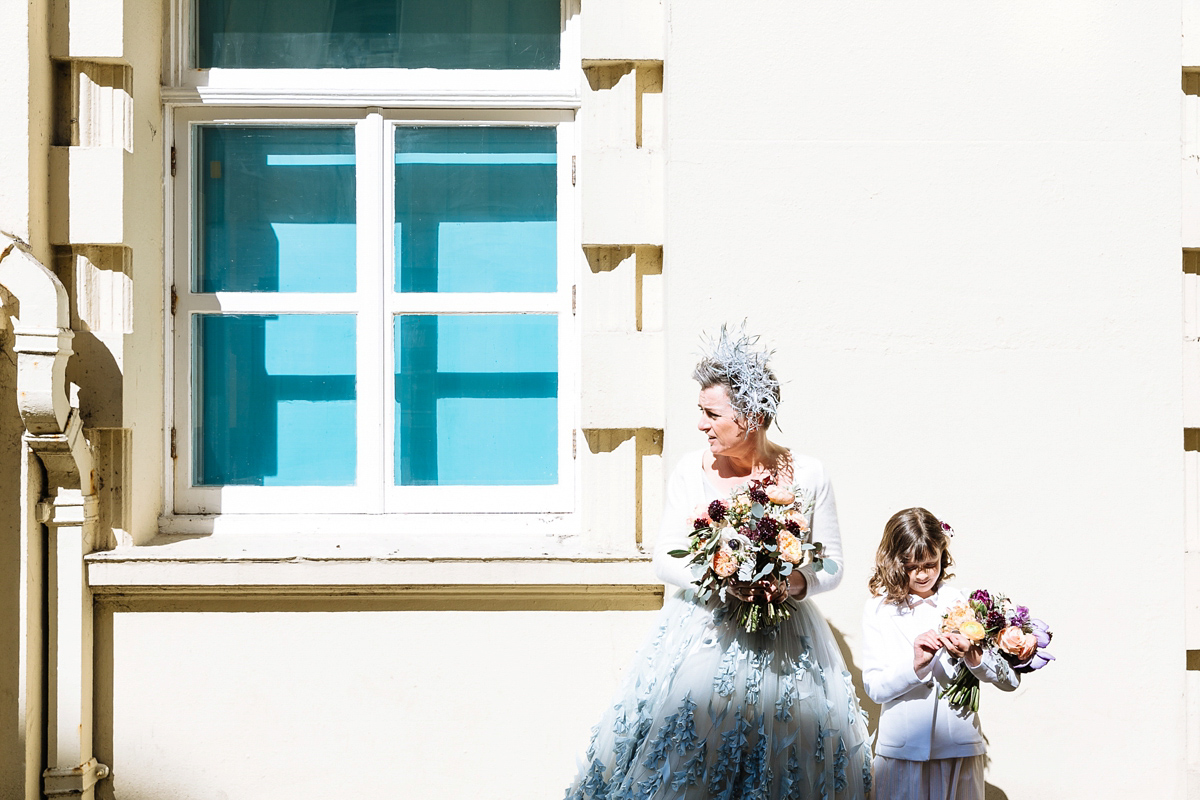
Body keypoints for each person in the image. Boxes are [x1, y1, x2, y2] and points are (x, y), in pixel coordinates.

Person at [564, 326, 871, 800]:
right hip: (703, 634)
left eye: (712, 414)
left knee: (783, 762)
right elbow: (664, 556)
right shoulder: (691, 471)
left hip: (786, 643)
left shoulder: (808, 474)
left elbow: (831, 566)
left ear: (752, 416)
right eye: (700, 413)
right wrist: (720, 580)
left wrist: (789, 581)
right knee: (690, 758)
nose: (702, 425)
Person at [861, 508, 1018, 800]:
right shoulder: (878, 610)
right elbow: (874, 688)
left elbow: (1010, 680)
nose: (922, 574)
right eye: (911, 566)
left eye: (930, 564)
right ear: (894, 562)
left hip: (958, 745)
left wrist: (975, 658)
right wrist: (915, 666)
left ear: (942, 556)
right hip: (902, 751)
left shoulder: (964, 602)